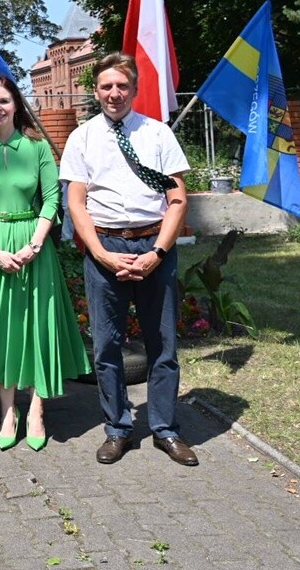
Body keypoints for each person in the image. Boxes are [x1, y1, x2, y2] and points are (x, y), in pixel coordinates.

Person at [58, 53, 196, 466]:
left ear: (133, 90)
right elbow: (77, 204)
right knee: (106, 347)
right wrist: (99, 252)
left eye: (122, 86)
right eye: (106, 87)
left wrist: (157, 252)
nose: (114, 93)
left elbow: (177, 199)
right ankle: (117, 428)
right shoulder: (81, 138)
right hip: (105, 249)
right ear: (96, 91)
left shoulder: (157, 134)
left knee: (163, 345)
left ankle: (165, 429)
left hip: (153, 245)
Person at [0, 76, 90, 451]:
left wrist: (33, 245)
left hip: (34, 250)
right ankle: (7, 412)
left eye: (4, 100)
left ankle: (36, 410)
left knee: (34, 328)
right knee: (1, 330)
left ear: (16, 104)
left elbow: (52, 200)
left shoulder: (38, 148)